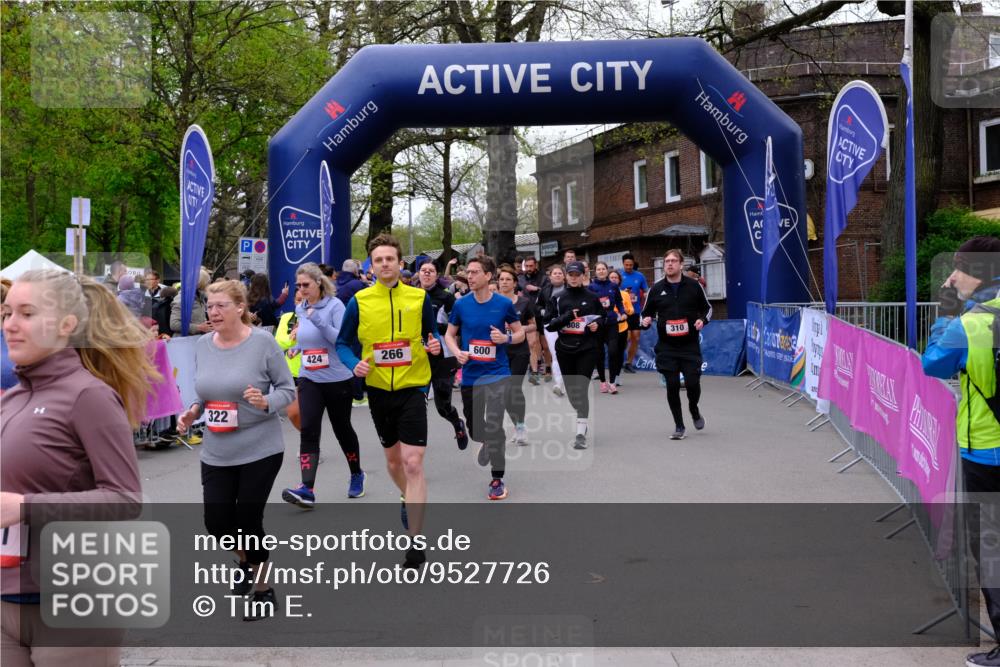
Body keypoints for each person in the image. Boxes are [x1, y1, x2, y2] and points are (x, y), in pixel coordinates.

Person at [2, 269, 157, 662]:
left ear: (67, 325)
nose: (10, 325)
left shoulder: (89, 396)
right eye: (6, 313)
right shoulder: (10, 400)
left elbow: (125, 499)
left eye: (27, 313)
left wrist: (25, 507)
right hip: (5, 598)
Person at [175, 280, 294, 621]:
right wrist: (193, 411)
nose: (213, 312)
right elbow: (204, 393)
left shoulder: (262, 343)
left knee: (248, 520)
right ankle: (245, 560)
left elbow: (287, 389)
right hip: (217, 449)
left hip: (260, 447)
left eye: (220, 306)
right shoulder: (202, 344)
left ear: (240, 308)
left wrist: (266, 401)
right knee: (216, 522)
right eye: (209, 306)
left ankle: (263, 589)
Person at [336, 233, 442, 568]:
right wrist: (354, 364)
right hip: (380, 390)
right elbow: (342, 343)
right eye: (379, 260)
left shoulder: (418, 298)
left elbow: (432, 335)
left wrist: (435, 344)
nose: (385, 264)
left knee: (413, 462)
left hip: (414, 386)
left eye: (390, 259)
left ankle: (415, 543)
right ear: (372, 265)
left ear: (399, 263)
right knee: (395, 463)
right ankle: (405, 494)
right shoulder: (360, 301)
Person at [919, 236, 1000, 667]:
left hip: (987, 451)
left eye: (960, 269)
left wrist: (947, 314)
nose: (952, 277)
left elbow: (932, 363)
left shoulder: (970, 324)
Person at [280, 262, 365, 507]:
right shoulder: (300, 307)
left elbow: (341, 339)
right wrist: (298, 347)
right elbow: (308, 337)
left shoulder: (335, 306)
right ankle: (307, 488)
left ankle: (356, 473)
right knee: (308, 429)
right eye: (298, 285)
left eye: (306, 284)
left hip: (337, 379)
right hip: (310, 378)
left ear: (319, 282)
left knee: (342, 429)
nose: (302, 289)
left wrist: (318, 320)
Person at [445, 256, 524, 500]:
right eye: (468, 272)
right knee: (476, 431)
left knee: (494, 425)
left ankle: (497, 479)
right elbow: (449, 335)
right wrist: (457, 352)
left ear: (488, 276)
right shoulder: (461, 305)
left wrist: (506, 338)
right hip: (471, 376)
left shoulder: (503, 304)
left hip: (498, 374)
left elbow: (520, 333)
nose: (469, 276)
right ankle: (486, 442)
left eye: (475, 272)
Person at [641, 249, 712, 441]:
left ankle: (694, 409)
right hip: (667, 346)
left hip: (689, 345)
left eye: (673, 261)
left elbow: (707, 308)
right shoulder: (656, 289)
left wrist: (702, 320)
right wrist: (645, 321)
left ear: (681, 265)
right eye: (667, 261)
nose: (670, 264)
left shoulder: (694, 286)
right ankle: (679, 425)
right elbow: (645, 313)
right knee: (672, 385)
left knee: (692, 383)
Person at [544, 260, 604, 449]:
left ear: (583, 276)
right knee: (572, 393)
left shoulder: (592, 297)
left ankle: (580, 432)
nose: (574, 278)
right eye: (571, 275)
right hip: (565, 349)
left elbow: (603, 317)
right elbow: (548, 324)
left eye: (577, 275)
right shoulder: (558, 298)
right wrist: (568, 317)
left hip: (587, 348)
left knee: (581, 388)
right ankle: (582, 418)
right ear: (566, 276)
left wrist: (597, 325)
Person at [417, 259, 468, 450]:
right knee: (416, 404)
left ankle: (457, 423)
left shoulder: (446, 298)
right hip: (418, 357)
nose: (426, 273)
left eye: (430, 271)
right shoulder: (410, 295)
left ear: (436, 275)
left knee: (443, 407)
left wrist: (435, 328)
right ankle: (415, 445)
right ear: (418, 274)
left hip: (443, 358)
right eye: (423, 270)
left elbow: (458, 327)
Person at [498, 264, 536, 445]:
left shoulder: (524, 302)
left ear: (514, 283)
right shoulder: (493, 303)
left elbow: (534, 325)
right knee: (504, 392)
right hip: (500, 352)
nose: (504, 282)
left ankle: (520, 428)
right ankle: (517, 426)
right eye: (501, 279)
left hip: (519, 351)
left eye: (508, 279)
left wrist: (519, 329)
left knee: (513, 388)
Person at [589, 261, 626, 394]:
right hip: (598, 323)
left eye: (603, 269)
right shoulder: (591, 287)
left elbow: (619, 302)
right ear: (595, 272)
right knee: (599, 354)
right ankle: (603, 382)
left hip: (611, 322)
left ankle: (612, 382)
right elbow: (589, 305)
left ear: (607, 270)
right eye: (598, 269)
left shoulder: (613, 286)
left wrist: (622, 312)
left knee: (613, 351)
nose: (601, 271)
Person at [517, 256, 548, 385]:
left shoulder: (543, 278)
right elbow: (517, 290)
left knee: (545, 345)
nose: (529, 268)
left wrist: (537, 289)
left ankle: (547, 367)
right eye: (527, 266)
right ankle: (534, 370)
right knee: (533, 343)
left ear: (536, 265)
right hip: (527, 314)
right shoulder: (520, 278)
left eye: (531, 266)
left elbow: (548, 292)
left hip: (541, 313)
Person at [537, 265, 567, 397]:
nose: (557, 275)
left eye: (560, 273)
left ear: (564, 276)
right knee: (555, 353)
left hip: (568, 323)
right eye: (555, 273)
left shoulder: (569, 288)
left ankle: (568, 381)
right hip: (550, 324)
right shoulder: (545, 290)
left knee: (568, 354)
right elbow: (537, 305)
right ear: (550, 276)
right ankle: (558, 384)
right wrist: (543, 312)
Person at [619, 253, 649, 374]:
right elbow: (613, 291)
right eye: (626, 265)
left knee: (636, 337)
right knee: (625, 338)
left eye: (630, 265)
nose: (629, 267)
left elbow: (645, 290)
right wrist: (623, 293)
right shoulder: (619, 275)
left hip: (636, 312)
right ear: (623, 264)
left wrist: (647, 296)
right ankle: (618, 360)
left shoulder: (640, 276)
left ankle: (629, 363)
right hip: (623, 312)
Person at [170, 268, 213, 335]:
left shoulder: (200, 297)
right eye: (207, 282)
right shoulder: (182, 299)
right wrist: (198, 328)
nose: (209, 284)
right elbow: (174, 324)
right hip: (185, 340)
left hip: (198, 338)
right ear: (201, 282)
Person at [609, 269, 634, 379]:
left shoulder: (624, 294)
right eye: (611, 277)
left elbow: (631, 310)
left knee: (619, 352)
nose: (614, 279)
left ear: (619, 280)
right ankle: (611, 376)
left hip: (622, 327)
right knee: (612, 352)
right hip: (609, 327)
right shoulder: (604, 293)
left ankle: (617, 376)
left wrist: (626, 310)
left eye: (616, 278)